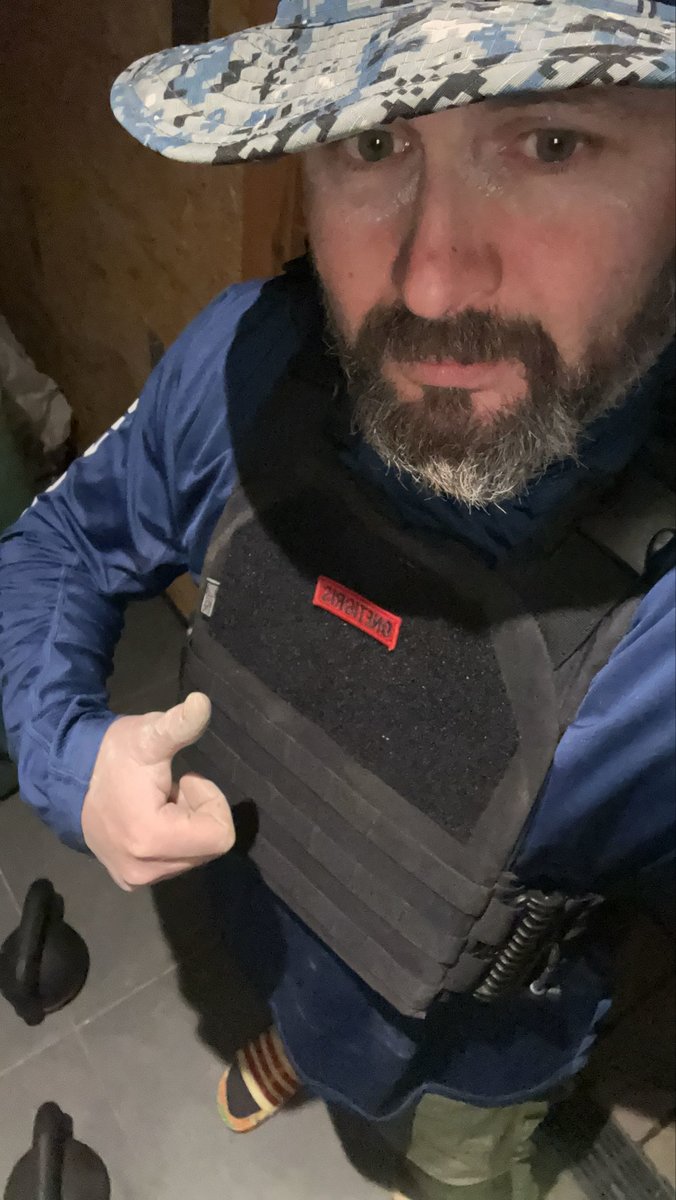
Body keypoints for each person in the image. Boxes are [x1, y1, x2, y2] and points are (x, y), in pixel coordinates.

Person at [1, 2, 675, 1197]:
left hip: (475, 1061)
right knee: (310, 1017)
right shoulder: (246, 363)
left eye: (552, 143)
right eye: (373, 143)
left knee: (463, 1170)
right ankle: (301, 1050)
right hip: (268, 920)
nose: (433, 279)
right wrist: (68, 753)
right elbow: (61, 539)